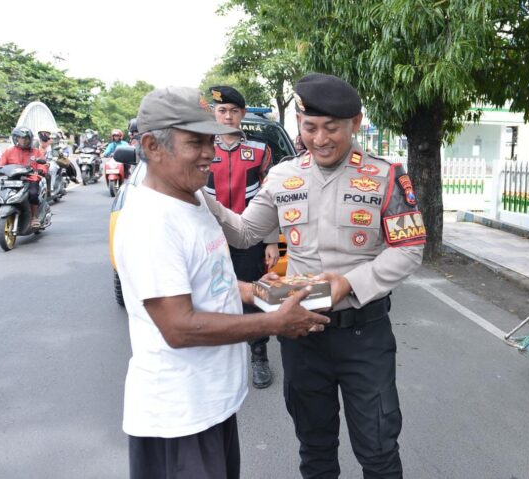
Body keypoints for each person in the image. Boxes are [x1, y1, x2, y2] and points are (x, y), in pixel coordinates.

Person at [204, 73, 425, 478]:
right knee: (315, 449)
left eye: (331, 128)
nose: (320, 139)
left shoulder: (387, 176)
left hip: (365, 336)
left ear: (355, 123)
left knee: (378, 450)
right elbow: (246, 233)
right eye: (310, 128)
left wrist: (349, 283)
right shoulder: (283, 176)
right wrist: (202, 199)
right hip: (302, 334)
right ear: (299, 126)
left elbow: (409, 249)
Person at [113, 86, 329, 479]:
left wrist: (261, 292)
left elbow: (213, 283)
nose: (210, 153)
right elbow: (179, 327)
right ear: (152, 145)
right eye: (195, 142)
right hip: (178, 418)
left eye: (211, 140)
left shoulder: (192, 200)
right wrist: (275, 323)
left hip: (210, 406)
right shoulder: (151, 223)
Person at [205, 85, 280, 389]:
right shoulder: (202, 147)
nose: (227, 116)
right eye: (222, 110)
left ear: (243, 114)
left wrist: (272, 239)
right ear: (214, 112)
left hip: (249, 237)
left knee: (253, 294)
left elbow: (271, 197)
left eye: (234, 111)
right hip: (209, 236)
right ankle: (214, 356)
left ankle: (258, 354)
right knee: (210, 293)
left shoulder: (261, 150)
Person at [0, 127, 48, 228]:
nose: (23, 140)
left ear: (30, 139)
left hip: (31, 179)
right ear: (16, 138)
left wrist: (41, 170)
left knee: (33, 194)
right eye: (20, 138)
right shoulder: (9, 151)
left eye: (26, 138)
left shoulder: (36, 152)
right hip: (13, 179)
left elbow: (43, 164)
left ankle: (34, 217)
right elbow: (0, 163)